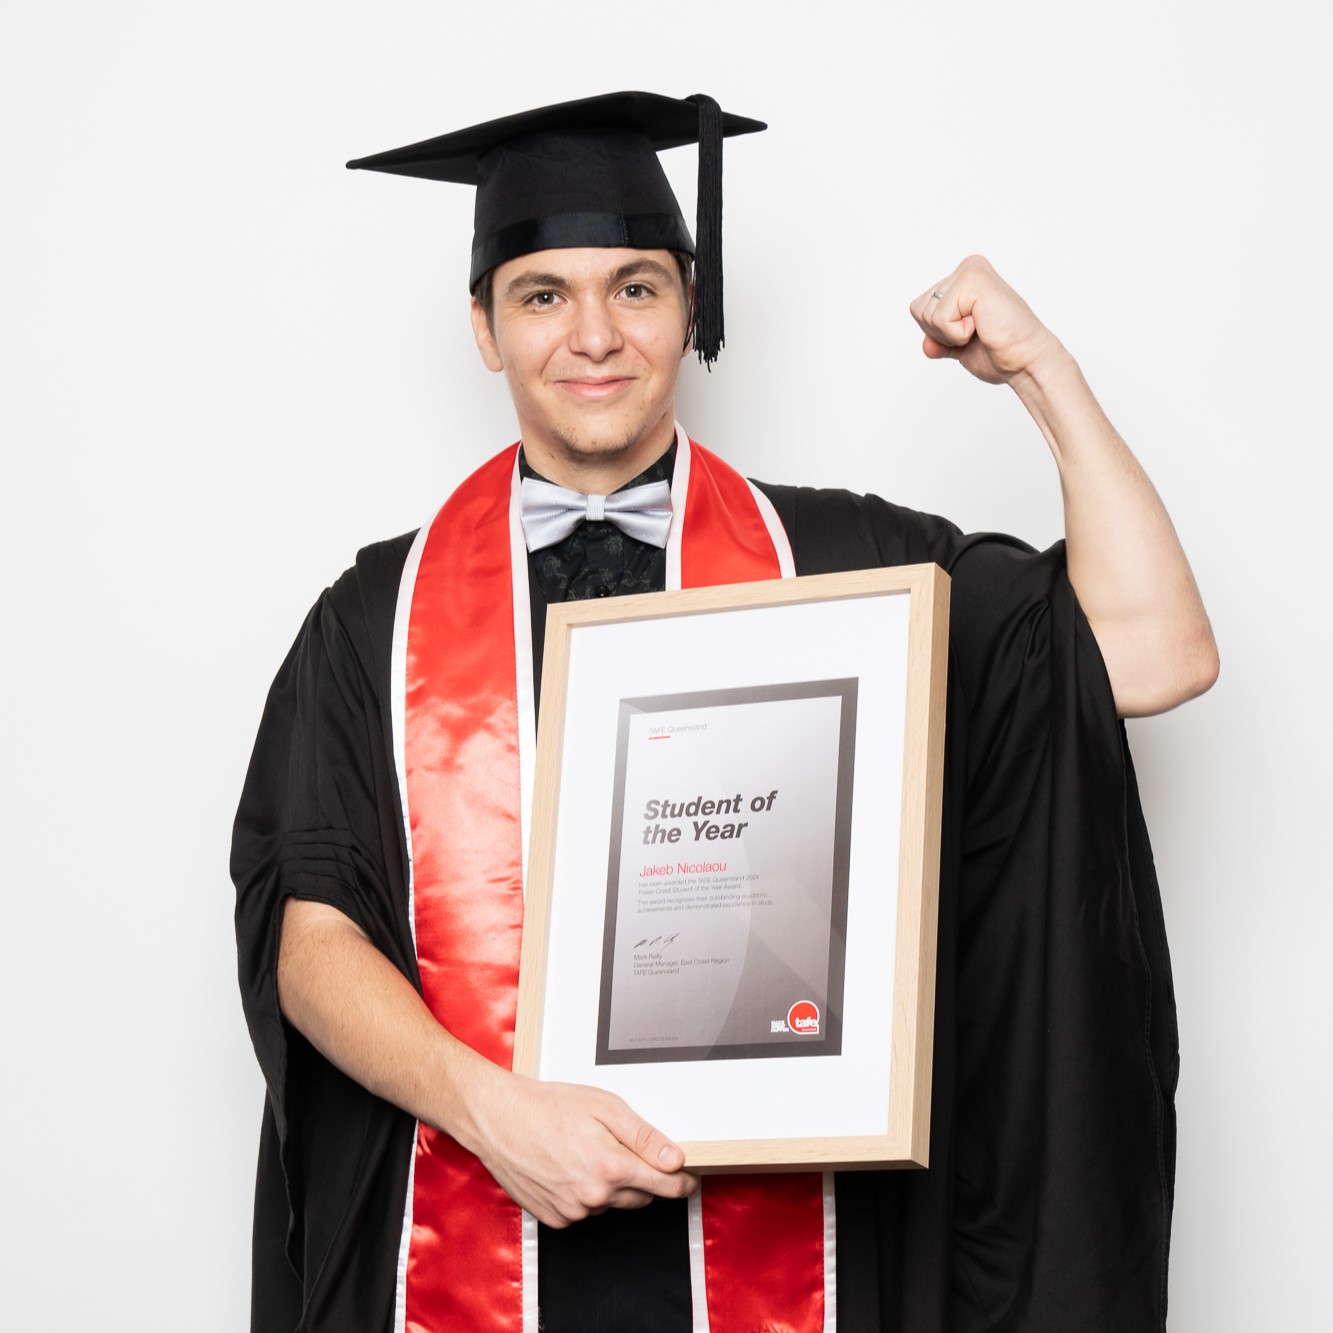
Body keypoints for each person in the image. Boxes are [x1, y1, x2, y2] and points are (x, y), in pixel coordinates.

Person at [232, 91, 1217, 1333]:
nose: (593, 335)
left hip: (781, 1256)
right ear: (483, 328)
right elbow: (310, 940)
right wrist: (493, 1113)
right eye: (543, 295)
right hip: (479, 1231)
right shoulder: (375, 618)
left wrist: (1039, 371)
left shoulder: (845, 571)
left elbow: (1157, 649)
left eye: (636, 288)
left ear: (692, 310)